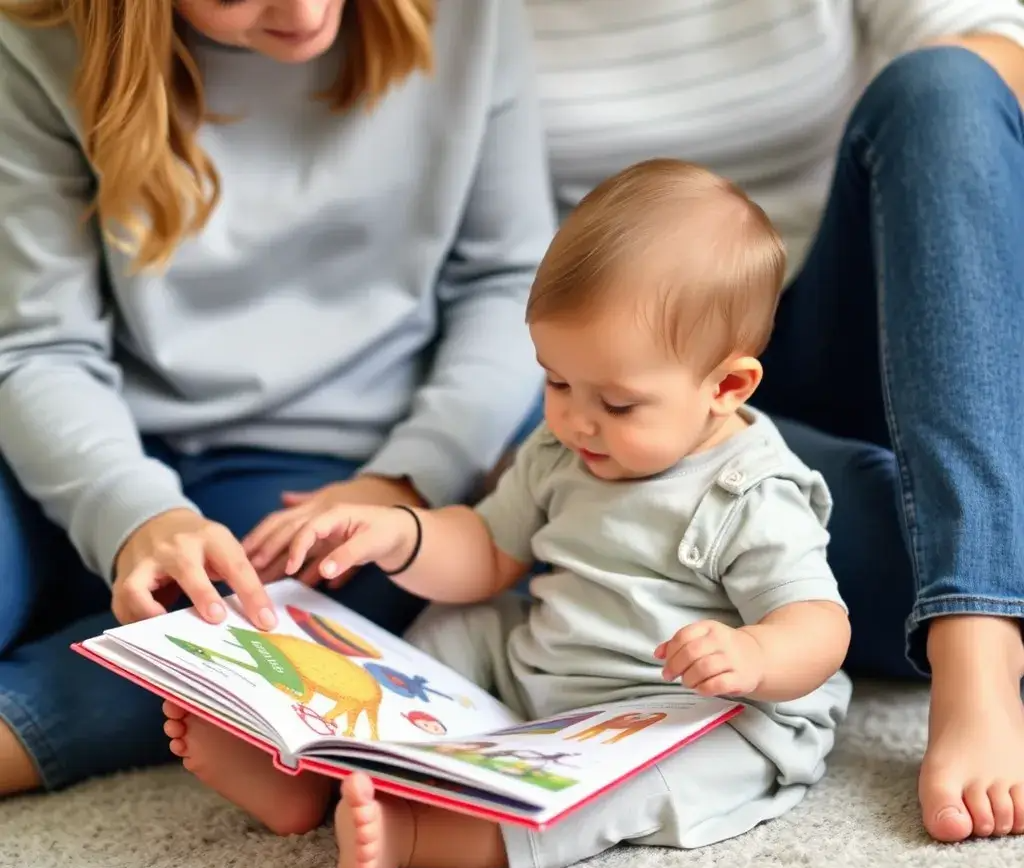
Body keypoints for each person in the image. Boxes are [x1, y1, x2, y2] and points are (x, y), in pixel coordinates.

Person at [163, 160, 854, 868]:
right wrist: (404, 533)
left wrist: (755, 656)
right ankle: (306, 773)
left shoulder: (753, 492)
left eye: (616, 403)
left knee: (647, 785)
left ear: (726, 385)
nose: (577, 421)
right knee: (453, 630)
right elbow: (490, 553)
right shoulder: (563, 446)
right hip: (550, 668)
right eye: (556, 380)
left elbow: (819, 628)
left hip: (692, 713)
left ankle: (435, 841)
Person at [0, 0, 554, 799]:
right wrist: (133, 515)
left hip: (309, 467)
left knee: (361, 590)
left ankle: (25, 722)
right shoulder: (39, 37)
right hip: (58, 441)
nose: (301, 11)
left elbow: (509, 282)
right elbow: (38, 347)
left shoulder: (467, 16)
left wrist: (404, 484)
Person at [523, 0, 1024, 844]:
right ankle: (980, 548)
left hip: (855, 314)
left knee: (942, 85)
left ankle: (978, 639)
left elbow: (1000, 49)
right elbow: (492, 254)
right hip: (629, 399)